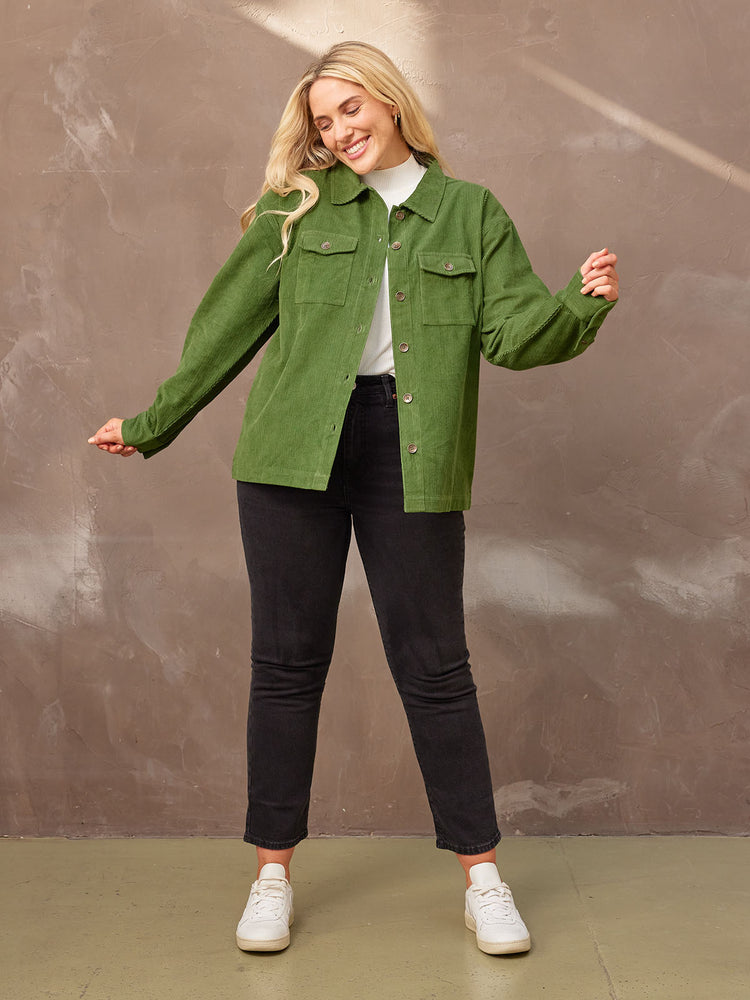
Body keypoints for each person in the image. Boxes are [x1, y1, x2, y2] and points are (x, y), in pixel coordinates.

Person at [89, 40, 619, 956]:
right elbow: (223, 332)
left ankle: (482, 878)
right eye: (324, 121)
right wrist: (153, 421)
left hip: (410, 449)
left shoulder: (468, 212)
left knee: (436, 667)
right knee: (286, 664)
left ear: (391, 102)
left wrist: (579, 304)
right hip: (292, 451)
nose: (339, 131)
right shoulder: (296, 211)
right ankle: (270, 877)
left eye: (350, 110)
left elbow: (511, 334)